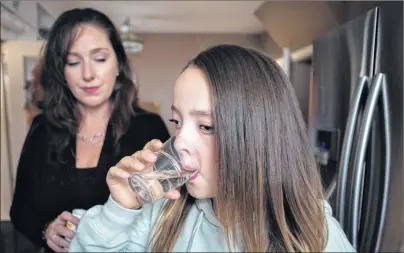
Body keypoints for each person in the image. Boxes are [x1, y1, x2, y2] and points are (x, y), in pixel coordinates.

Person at [68, 44, 355, 252]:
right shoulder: (163, 213)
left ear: (258, 137)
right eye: (177, 121)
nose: (179, 143)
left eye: (206, 126)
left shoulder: (311, 236)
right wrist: (119, 209)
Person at [9, 8, 170, 253]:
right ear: (61, 72)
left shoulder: (148, 128)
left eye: (100, 59)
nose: (88, 75)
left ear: (118, 63)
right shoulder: (43, 128)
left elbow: (167, 214)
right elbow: (20, 208)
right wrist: (46, 229)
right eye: (73, 62)